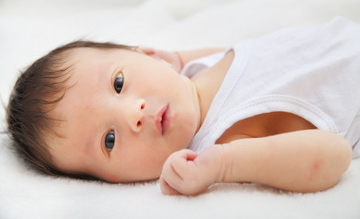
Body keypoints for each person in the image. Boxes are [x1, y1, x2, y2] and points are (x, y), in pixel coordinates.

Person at [7, 17, 359, 196]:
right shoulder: (224, 142)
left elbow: (244, 58)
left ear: (144, 53)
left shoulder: (193, 72)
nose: (134, 114)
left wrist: (177, 57)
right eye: (109, 140)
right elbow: (335, 154)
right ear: (110, 182)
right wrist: (223, 167)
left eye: (118, 83)